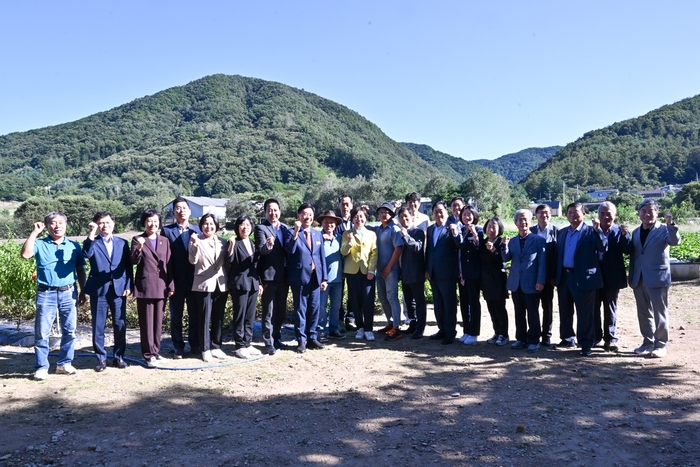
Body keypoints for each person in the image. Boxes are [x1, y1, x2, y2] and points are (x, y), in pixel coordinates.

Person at [21, 212, 87, 380]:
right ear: (47, 226)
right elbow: (26, 254)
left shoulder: (74, 246)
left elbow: (80, 270)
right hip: (46, 293)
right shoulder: (40, 244)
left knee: (69, 330)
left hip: (68, 292)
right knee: (42, 332)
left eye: (60, 222)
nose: (57, 226)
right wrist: (34, 232)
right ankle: (42, 367)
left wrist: (83, 290)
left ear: (66, 224)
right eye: (53, 223)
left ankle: (64, 363)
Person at [625, 200, 681, 358]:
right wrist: (632, 276)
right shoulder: (636, 232)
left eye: (651, 211)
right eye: (643, 211)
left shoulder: (664, 229)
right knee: (643, 312)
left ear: (657, 213)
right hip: (639, 278)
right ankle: (647, 342)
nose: (647, 214)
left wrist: (671, 224)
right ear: (638, 213)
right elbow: (635, 256)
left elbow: (675, 241)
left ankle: (661, 344)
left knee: (659, 312)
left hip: (658, 277)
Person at [82, 212, 133, 372]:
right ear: (97, 225)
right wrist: (91, 234)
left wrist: (128, 285)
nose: (105, 225)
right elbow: (86, 254)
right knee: (98, 325)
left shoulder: (123, 243)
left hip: (118, 289)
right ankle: (101, 359)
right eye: (101, 223)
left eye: (107, 222)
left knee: (119, 324)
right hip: (99, 290)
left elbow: (128, 266)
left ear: (113, 223)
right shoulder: (93, 242)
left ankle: (119, 357)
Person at [554, 203, 604, 357]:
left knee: (585, 312)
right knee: (565, 309)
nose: (573, 215)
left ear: (584, 213)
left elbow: (602, 249)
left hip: (583, 277)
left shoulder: (591, 231)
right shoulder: (562, 232)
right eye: (569, 212)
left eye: (576, 212)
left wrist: (599, 232)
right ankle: (567, 338)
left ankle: (586, 343)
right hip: (564, 276)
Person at [131, 209, 173, 367]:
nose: (152, 224)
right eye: (149, 221)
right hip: (146, 286)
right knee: (146, 322)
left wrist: (171, 284)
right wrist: (139, 248)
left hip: (161, 286)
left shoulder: (165, 240)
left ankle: (156, 351)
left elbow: (169, 264)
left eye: (155, 221)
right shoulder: (138, 239)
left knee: (157, 321)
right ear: (144, 222)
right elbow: (133, 260)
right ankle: (148, 355)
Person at [161, 197, 202, 358]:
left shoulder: (197, 230)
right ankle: (178, 346)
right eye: (178, 208)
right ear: (173, 212)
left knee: (195, 314)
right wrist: (168, 281)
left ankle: (195, 344)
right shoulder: (167, 230)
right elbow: (165, 258)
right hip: (175, 280)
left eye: (184, 207)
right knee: (176, 315)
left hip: (194, 279)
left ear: (190, 211)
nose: (181, 210)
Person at [284, 203, 328, 353]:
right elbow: (290, 250)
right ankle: (301, 340)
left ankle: (312, 337)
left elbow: (321, 257)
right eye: (304, 214)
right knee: (300, 310)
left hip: (316, 277)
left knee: (314, 309)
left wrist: (324, 278)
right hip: (299, 277)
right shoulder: (291, 232)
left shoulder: (317, 234)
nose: (307, 217)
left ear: (313, 217)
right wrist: (296, 232)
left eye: (310, 214)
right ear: (298, 216)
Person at [502, 210, 547, 353]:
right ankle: (521, 338)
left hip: (532, 283)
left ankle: (534, 340)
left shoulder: (538, 240)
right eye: (520, 220)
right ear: (515, 223)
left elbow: (542, 263)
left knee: (533, 312)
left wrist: (541, 280)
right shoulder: (513, 241)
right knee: (518, 312)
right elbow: (505, 258)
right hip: (516, 283)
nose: (523, 222)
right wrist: (504, 246)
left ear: (531, 221)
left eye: (526, 219)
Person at [189, 214, 229, 362]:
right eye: (206, 224)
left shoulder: (222, 242)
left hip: (220, 283)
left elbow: (227, 261)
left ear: (217, 226)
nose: (209, 226)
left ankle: (216, 346)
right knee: (204, 317)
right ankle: (205, 348)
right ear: (201, 225)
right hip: (203, 284)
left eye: (212, 224)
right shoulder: (196, 240)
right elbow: (192, 260)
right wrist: (193, 244)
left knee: (218, 317)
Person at [593, 202, 630, 352]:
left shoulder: (619, 231)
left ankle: (610, 339)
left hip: (613, 277)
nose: (605, 216)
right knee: (594, 308)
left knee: (610, 308)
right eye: (602, 213)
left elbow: (627, 250)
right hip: (594, 276)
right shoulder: (591, 231)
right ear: (598, 215)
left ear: (614, 215)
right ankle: (595, 337)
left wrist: (626, 236)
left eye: (609, 213)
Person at [255, 198, 290, 351]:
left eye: (275, 210)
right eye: (270, 210)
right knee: (268, 311)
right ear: (265, 212)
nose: (273, 213)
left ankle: (277, 337)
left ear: (280, 212)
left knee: (280, 310)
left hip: (284, 275)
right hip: (269, 276)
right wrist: (268, 245)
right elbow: (262, 250)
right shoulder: (261, 228)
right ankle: (268, 342)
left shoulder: (285, 228)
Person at [228, 215, 264, 356]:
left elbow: (257, 265)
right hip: (239, 284)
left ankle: (248, 342)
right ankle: (239, 345)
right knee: (240, 315)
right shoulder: (234, 242)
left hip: (253, 283)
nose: (245, 227)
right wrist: (230, 245)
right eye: (242, 225)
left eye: (248, 225)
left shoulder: (254, 244)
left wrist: (259, 283)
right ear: (237, 227)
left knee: (250, 315)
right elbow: (229, 260)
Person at [341, 206, 378, 341]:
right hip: (352, 271)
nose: (359, 219)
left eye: (361, 216)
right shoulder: (347, 233)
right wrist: (349, 242)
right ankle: (360, 328)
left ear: (366, 218)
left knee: (368, 300)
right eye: (356, 217)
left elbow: (374, 253)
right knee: (355, 300)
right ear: (352, 219)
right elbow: (343, 252)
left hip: (367, 271)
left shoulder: (371, 234)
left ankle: (368, 328)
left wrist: (371, 270)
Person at [425, 201, 460, 345]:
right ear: (432, 214)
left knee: (449, 304)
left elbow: (459, 245)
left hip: (448, 273)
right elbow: (429, 251)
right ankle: (442, 329)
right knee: (438, 304)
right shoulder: (430, 229)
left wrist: (455, 233)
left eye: (441, 211)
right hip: (433, 273)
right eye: (435, 212)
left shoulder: (452, 227)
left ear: (446, 213)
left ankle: (450, 332)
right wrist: (427, 268)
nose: (438, 214)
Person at [370, 202, 404, 341]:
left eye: (387, 212)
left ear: (391, 214)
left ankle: (396, 327)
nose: (384, 214)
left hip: (391, 270)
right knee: (383, 297)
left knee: (392, 297)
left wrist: (389, 267)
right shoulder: (378, 229)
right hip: (379, 269)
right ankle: (390, 323)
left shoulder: (394, 229)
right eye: (381, 212)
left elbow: (399, 248)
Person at [453, 205, 483, 345]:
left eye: (470, 214)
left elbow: (479, 248)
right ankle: (466, 330)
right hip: (461, 273)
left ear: (474, 216)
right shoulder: (461, 230)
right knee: (464, 303)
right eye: (464, 214)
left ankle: (474, 332)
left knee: (473, 303)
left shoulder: (479, 230)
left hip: (473, 274)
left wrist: (475, 235)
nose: (467, 217)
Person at [530, 204, 558, 346]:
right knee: (532, 306)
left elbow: (558, 256)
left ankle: (546, 335)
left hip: (549, 277)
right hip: (532, 275)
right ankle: (533, 333)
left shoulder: (557, 232)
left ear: (551, 214)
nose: (544, 215)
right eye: (540, 213)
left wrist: (554, 276)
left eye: (547, 212)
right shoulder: (530, 231)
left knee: (547, 306)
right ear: (536, 215)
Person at [396, 207, 427, 339]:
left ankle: (420, 328)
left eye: (406, 216)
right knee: (409, 302)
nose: (404, 219)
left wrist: (406, 236)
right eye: (401, 217)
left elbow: (417, 247)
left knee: (419, 301)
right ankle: (413, 325)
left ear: (411, 217)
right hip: (405, 272)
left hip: (416, 272)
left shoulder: (418, 232)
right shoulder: (399, 232)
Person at [480, 217, 509, 346]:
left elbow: (503, 260)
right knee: (491, 309)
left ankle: (504, 334)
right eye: (489, 226)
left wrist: (493, 250)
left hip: (498, 280)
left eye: (494, 227)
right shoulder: (483, 242)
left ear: (499, 229)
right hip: (486, 280)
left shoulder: (501, 242)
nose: (491, 229)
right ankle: (496, 332)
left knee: (500, 308)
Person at [316, 210, 345, 340]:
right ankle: (321, 330)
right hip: (323, 279)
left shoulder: (339, 238)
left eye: (332, 222)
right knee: (321, 305)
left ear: (335, 224)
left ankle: (334, 329)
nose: (329, 224)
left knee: (336, 305)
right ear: (322, 223)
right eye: (326, 222)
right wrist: (321, 240)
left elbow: (343, 256)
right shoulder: (317, 237)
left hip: (337, 278)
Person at [335, 194, 357, 331]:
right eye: (342, 204)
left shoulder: (357, 221)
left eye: (347, 204)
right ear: (339, 206)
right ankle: (339, 318)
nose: (345, 206)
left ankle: (351, 319)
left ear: (352, 206)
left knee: (353, 293)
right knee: (339, 293)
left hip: (355, 264)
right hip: (340, 264)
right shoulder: (336, 223)